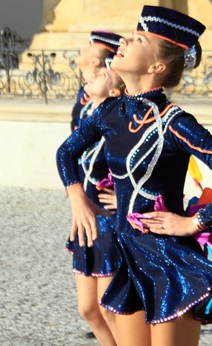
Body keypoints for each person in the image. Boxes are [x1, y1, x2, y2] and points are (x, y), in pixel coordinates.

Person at [56, 5, 212, 346]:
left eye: (137, 39)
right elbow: (67, 152)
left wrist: (194, 223)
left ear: (156, 67)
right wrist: (77, 197)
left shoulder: (175, 123)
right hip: (127, 253)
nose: (124, 40)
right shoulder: (110, 111)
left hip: (168, 258)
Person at [68, 30, 122, 344]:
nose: (96, 73)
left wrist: (126, 196)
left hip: (107, 222)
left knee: (108, 308)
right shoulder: (87, 112)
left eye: (103, 71)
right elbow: (66, 155)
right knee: (88, 309)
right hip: (84, 216)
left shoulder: (120, 120)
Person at [71, 31, 123, 131]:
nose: (82, 49)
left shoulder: (104, 99)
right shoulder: (85, 90)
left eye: (89, 48)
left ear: (95, 61)